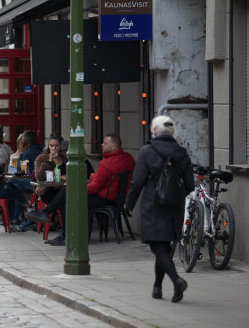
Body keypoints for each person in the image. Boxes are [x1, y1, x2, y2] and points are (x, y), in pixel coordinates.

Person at [125, 116, 194, 303]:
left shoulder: (148, 151)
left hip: (153, 204)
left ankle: (177, 281)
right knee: (164, 247)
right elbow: (190, 184)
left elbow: (137, 181)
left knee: (158, 247)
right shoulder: (181, 152)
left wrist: (128, 204)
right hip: (175, 206)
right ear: (172, 133)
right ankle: (157, 288)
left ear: (154, 131)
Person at [28, 134, 134, 245]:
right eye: (51, 145)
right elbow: (100, 178)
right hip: (117, 197)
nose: (102, 144)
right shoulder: (128, 158)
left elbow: (94, 187)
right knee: (67, 193)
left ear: (113, 147)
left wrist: (76, 190)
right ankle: (60, 230)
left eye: (105, 143)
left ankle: (58, 227)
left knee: (68, 196)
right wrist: (93, 178)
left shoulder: (106, 163)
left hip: (104, 197)